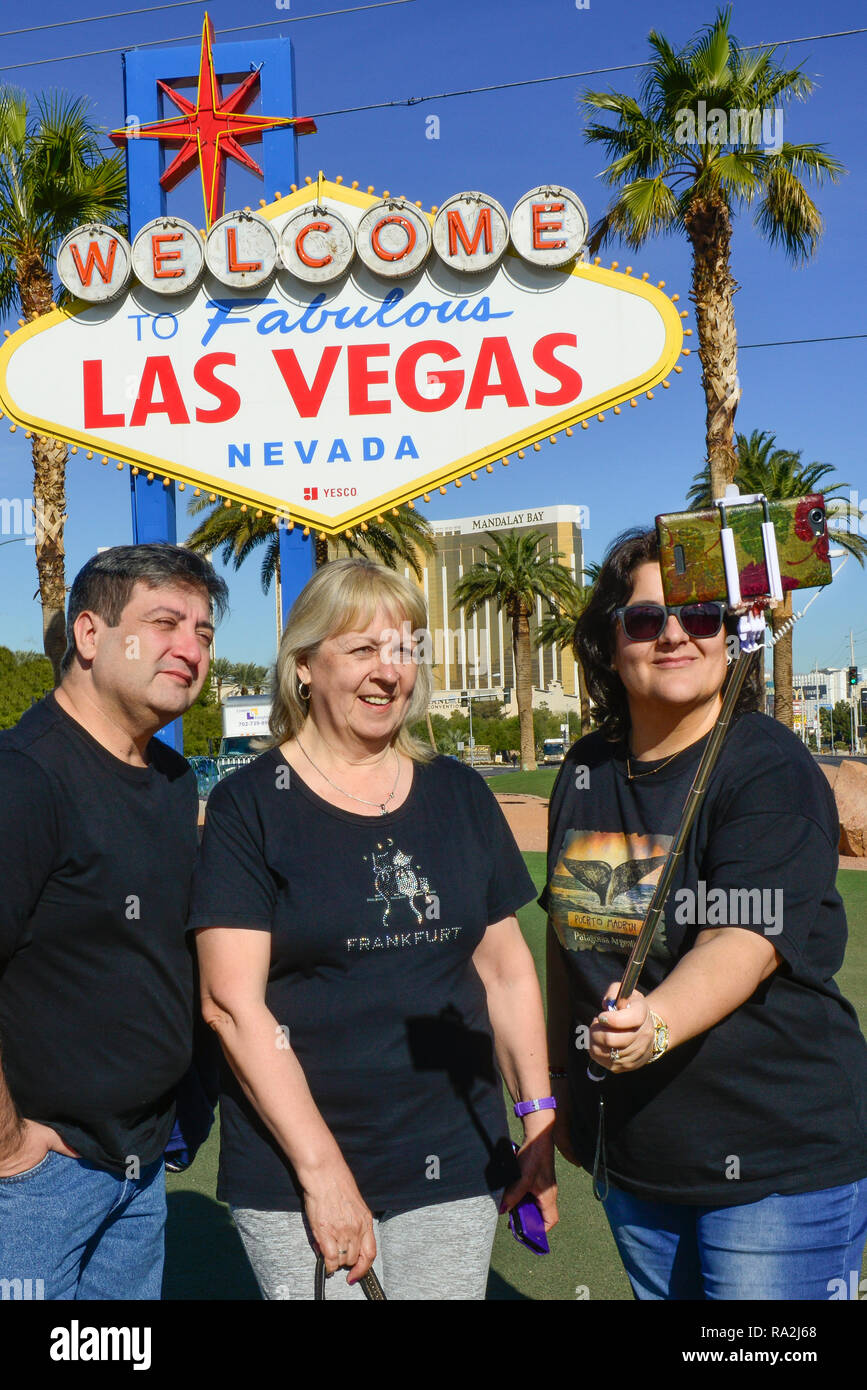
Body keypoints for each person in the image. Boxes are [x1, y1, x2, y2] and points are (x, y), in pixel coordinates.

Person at [189, 558, 557, 1300]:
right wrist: (324, 1176)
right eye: (362, 650)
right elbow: (232, 1005)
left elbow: (506, 971)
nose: (389, 672)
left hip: (454, 1155)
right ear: (302, 670)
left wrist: (536, 1120)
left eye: (404, 648)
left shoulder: (457, 792)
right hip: (296, 1166)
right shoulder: (249, 806)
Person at [545, 527, 867, 1301]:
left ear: (733, 634)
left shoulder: (768, 767)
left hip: (774, 1166)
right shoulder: (585, 770)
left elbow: (744, 939)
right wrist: (559, 1092)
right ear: (609, 641)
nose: (676, 636)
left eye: (703, 616)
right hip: (637, 1159)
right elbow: (570, 946)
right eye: (646, 619)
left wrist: (651, 1024)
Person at [0, 543, 227, 1300]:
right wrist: (10, 1151)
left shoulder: (166, 783)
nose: (191, 648)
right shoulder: (22, 779)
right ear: (89, 636)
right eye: (165, 622)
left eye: (203, 629)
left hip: (140, 1166)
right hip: (37, 1179)